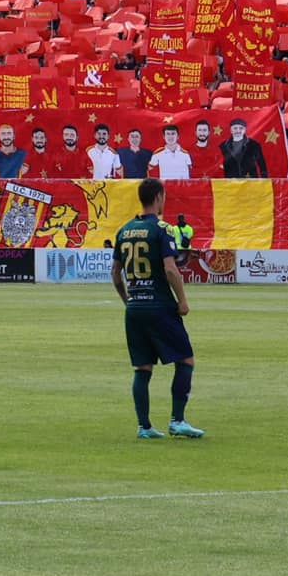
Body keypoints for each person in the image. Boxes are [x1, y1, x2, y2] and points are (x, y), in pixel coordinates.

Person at [110, 179, 204, 440]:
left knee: (143, 368)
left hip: (135, 308)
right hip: (160, 305)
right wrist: (182, 300)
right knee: (185, 360)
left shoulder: (125, 230)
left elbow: (115, 274)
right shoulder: (163, 229)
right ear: (160, 197)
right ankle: (178, 421)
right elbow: (171, 268)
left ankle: (144, 427)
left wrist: (127, 300)